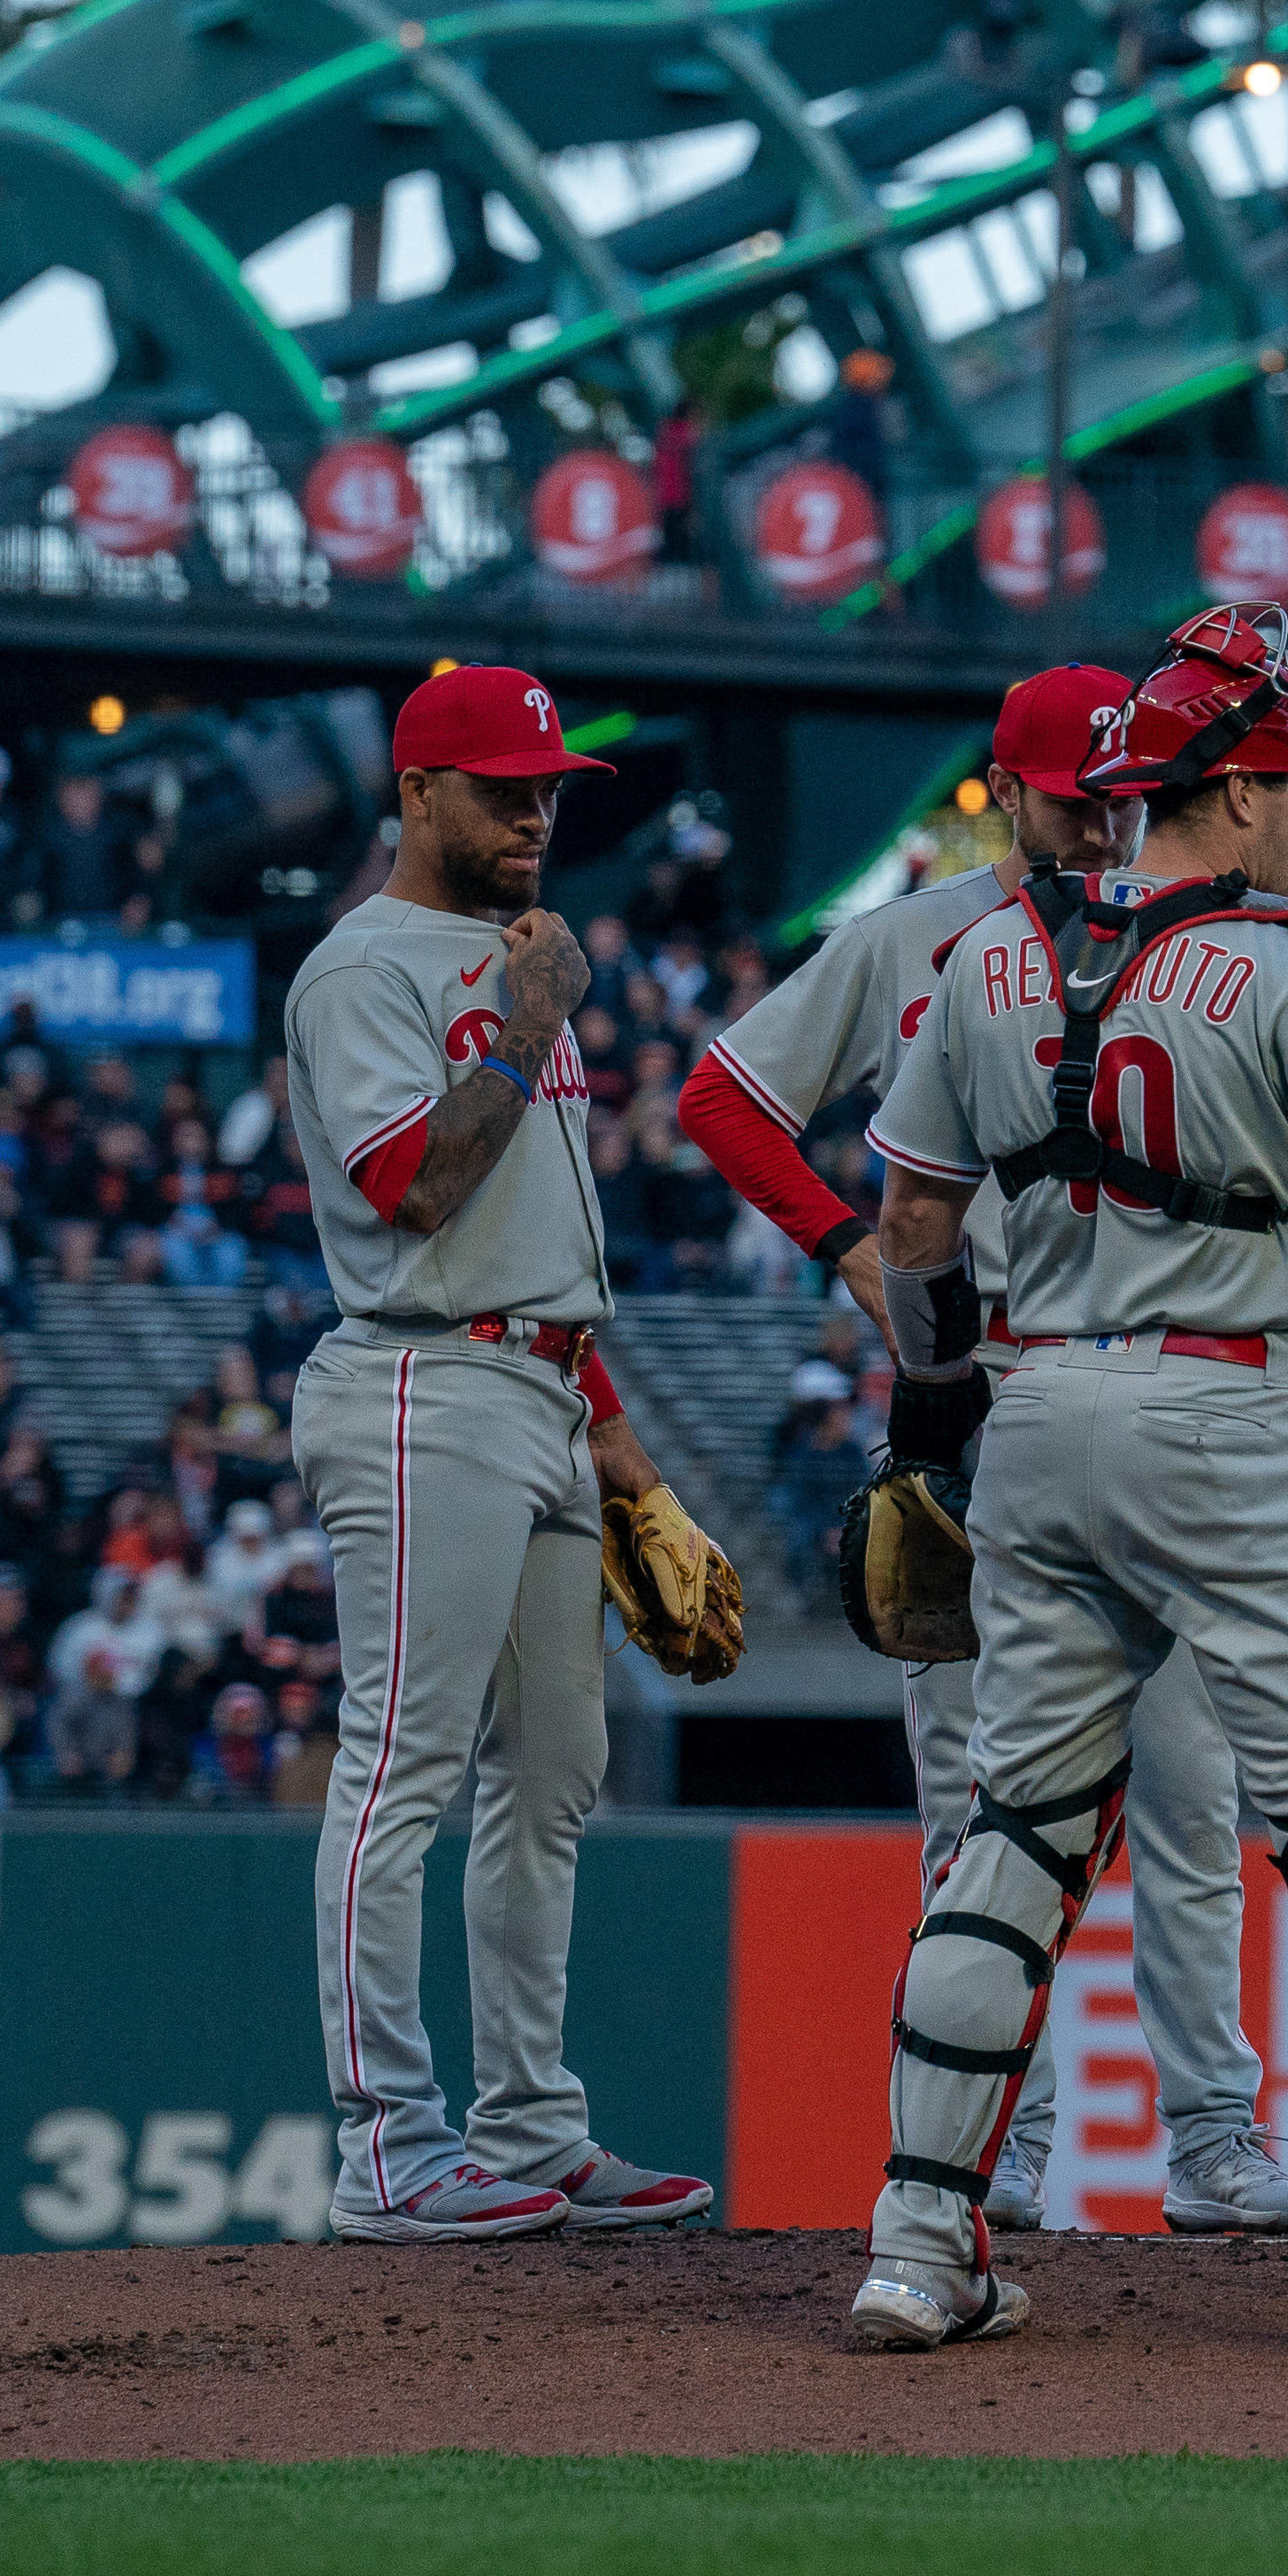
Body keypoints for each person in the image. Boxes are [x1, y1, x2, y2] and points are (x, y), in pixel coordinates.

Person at [848, 605, 1288, 2360]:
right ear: (1233, 791)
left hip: (1037, 1410)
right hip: (1236, 1406)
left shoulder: (988, 961)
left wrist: (937, 1406)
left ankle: (917, 2237)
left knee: (1012, 1830)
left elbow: (913, 1225)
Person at [672, 667, 1288, 2240]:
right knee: (985, 1814)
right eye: (1067, 797)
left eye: (1119, 796)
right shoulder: (923, 937)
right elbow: (723, 1093)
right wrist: (851, 1244)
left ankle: (1214, 2142)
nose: (1097, 823)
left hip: (1158, 1383)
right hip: (982, 1403)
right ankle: (997, 2150)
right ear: (1002, 786)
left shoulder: (1194, 937)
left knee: (1188, 1797)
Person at [282, 665, 723, 2244]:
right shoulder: (365, 970)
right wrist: (533, 1019)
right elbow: (414, 1184)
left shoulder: (506, 954)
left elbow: (548, 1247)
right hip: (419, 1383)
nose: (536, 812)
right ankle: (385, 2140)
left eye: (549, 789)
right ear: (417, 795)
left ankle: (526, 2125)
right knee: (401, 1766)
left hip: (536, 1388)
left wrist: (631, 1464)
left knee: (555, 1777)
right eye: (501, 788)